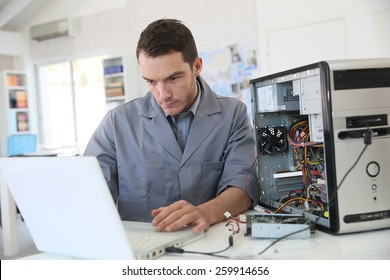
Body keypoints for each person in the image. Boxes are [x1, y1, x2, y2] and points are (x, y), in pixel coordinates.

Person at [84, 19, 260, 234]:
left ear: (196, 67)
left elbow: (243, 186)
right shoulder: (116, 123)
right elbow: (87, 193)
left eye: (173, 78)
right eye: (151, 81)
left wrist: (206, 212)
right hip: (140, 249)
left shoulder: (233, 114)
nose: (162, 94)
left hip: (208, 242)